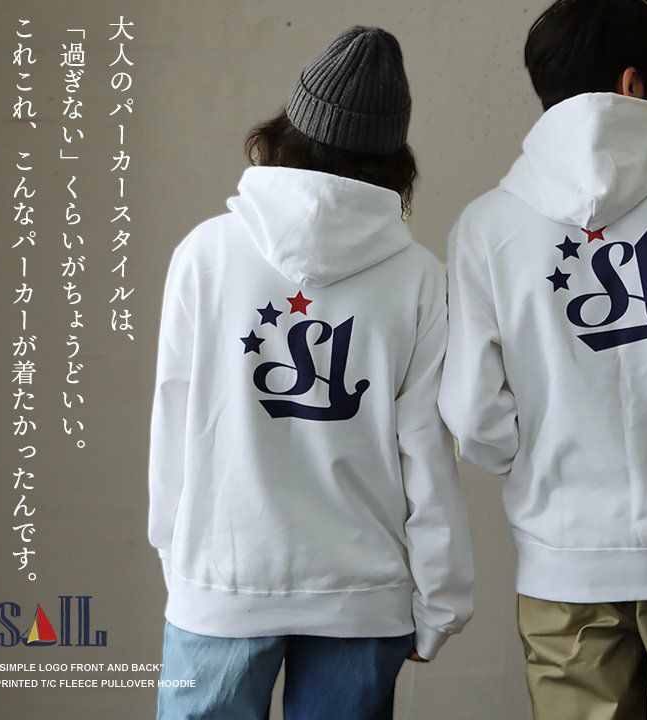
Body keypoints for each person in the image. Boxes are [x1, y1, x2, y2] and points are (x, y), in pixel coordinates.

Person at [148, 25, 474, 720]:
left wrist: (182, 562)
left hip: (223, 578)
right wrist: (440, 603)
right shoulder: (419, 278)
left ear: (289, 128)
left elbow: (173, 421)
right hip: (361, 596)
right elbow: (425, 451)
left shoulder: (206, 254)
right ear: (394, 156)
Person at [438, 1, 647, 718]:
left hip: (565, 564)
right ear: (634, 84)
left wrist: (541, 456)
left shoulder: (486, 226)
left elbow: (474, 417)